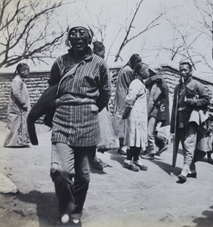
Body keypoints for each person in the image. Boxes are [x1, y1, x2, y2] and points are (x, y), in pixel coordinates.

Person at [48, 21, 111, 225]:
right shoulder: (60, 62)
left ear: (89, 38)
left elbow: (105, 93)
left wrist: (91, 107)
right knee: (61, 171)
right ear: (68, 38)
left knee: (83, 176)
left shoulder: (99, 64)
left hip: (88, 123)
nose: (76, 36)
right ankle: (65, 209)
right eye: (72, 33)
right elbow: (51, 89)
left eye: (81, 33)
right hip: (62, 121)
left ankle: (76, 211)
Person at [170, 61, 210, 183]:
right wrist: (173, 126)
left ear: (190, 71)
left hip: (192, 118)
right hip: (181, 119)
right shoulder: (177, 87)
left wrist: (193, 102)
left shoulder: (197, 84)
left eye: (185, 70)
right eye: (180, 70)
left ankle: (184, 171)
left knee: (189, 144)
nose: (182, 72)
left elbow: (206, 99)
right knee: (184, 143)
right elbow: (174, 107)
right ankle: (192, 170)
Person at [91, 41, 118, 171]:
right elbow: (105, 88)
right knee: (97, 131)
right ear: (97, 51)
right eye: (102, 52)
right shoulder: (99, 64)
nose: (103, 55)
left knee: (94, 132)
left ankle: (92, 157)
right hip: (97, 103)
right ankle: (91, 158)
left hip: (95, 101)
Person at [113, 54, 142, 155]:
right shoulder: (129, 70)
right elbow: (132, 85)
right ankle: (122, 147)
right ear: (133, 62)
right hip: (124, 97)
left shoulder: (124, 69)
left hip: (120, 97)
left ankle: (122, 145)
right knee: (124, 122)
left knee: (121, 121)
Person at [122, 62, 149, 172]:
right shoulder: (136, 83)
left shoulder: (141, 83)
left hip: (140, 116)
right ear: (141, 72)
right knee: (133, 137)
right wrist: (125, 114)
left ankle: (137, 158)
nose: (148, 73)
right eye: (147, 70)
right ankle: (128, 160)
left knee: (139, 137)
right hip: (135, 116)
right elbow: (130, 100)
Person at [141, 64, 170, 160]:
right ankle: (159, 145)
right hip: (156, 110)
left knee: (149, 132)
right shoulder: (156, 81)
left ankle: (152, 152)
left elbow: (152, 99)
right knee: (152, 131)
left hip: (155, 111)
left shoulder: (157, 83)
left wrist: (147, 112)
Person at [4, 63, 31, 148]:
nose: (28, 73)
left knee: (21, 124)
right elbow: (16, 93)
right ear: (22, 71)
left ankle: (20, 142)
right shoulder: (17, 80)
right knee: (15, 124)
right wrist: (23, 103)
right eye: (27, 71)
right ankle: (12, 143)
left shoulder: (20, 80)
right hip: (17, 108)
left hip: (20, 108)